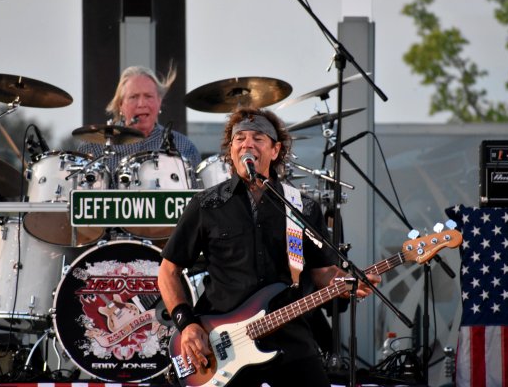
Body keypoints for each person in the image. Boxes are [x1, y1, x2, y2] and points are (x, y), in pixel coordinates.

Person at [158, 107, 381, 387]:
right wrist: (187, 323)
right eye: (239, 139)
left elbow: (322, 271)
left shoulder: (301, 207)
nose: (247, 144)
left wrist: (345, 282)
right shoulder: (206, 204)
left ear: (275, 150)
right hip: (222, 342)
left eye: (258, 138)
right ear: (231, 150)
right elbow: (168, 271)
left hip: (290, 335)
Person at [77, 65, 201, 186]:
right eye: (133, 97)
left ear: (159, 101)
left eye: (148, 96)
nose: (141, 104)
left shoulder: (184, 147)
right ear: (120, 104)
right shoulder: (93, 148)